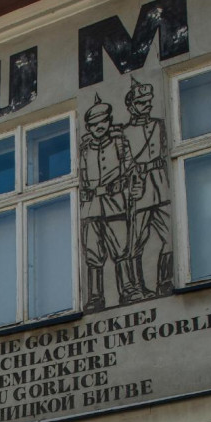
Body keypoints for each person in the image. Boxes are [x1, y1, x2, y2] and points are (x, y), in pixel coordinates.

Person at [78, 96, 132, 311]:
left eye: (103, 122)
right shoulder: (84, 149)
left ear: (109, 122)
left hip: (114, 201)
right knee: (92, 252)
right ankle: (95, 295)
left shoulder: (119, 142)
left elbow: (129, 168)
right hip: (91, 205)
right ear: (88, 127)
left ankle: (127, 288)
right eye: (94, 124)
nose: (99, 127)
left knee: (121, 246)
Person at [122, 79, 173, 296]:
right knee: (136, 242)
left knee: (170, 235)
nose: (148, 105)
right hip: (140, 190)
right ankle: (138, 287)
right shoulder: (124, 133)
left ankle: (165, 282)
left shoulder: (158, 125)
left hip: (161, 187)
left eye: (149, 102)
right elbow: (124, 164)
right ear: (132, 106)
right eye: (142, 103)